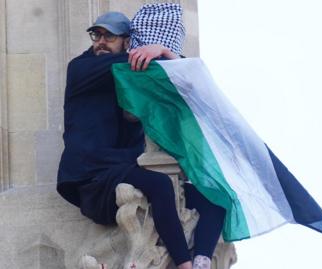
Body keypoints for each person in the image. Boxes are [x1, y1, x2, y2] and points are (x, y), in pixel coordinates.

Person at [57, 9, 225, 269]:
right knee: (159, 185)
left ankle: (202, 260)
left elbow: (185, 85)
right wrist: (163, 51)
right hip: (93, 177)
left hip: (125, 169)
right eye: (96, 35)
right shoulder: (83, 67)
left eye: (109, 37)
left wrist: (163, 52)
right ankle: (184, 264)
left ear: (127, 41)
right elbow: (153, 68)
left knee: (216, 197)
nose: (100, 41)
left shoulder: (130, 78)